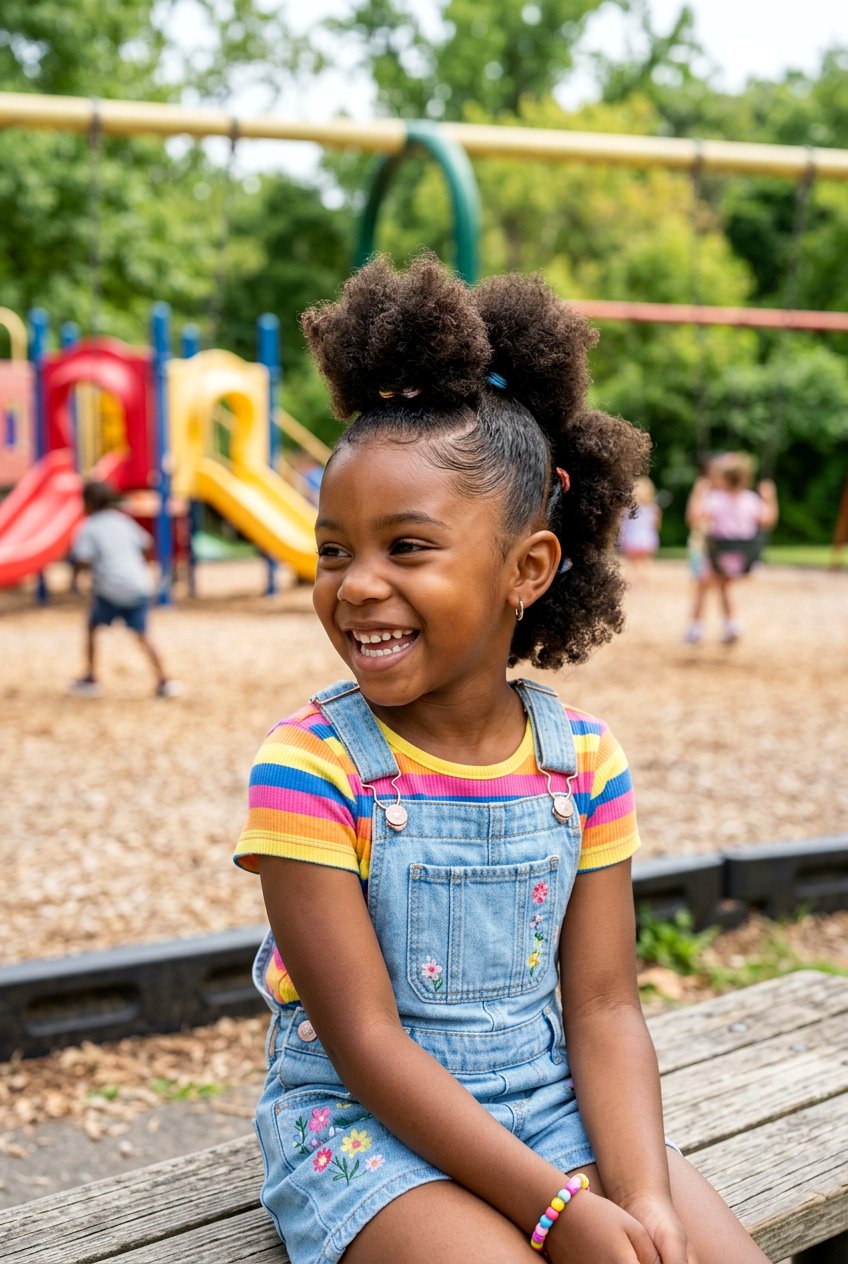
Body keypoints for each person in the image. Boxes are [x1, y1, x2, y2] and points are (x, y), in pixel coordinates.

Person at [234, 256, 769, 1264]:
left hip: (550, 1106)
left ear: (526, 567)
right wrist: (555, 1211)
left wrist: (642, 1194)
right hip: (362, 1134)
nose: (355, 586)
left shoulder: (583, 762)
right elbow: (365, 1043)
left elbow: (605, 1005)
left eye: (406, 546)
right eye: (334, 550)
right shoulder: (309, 768)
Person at [69, 479, 180, 698]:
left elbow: (82, 557)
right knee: (143, 635)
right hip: (139, 586)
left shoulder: (89, 527)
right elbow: (146, 543)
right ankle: (165, 679)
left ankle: (91, 677)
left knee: (92, 626)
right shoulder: (123, 521)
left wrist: (75, 578)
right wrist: (144, 565)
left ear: (88, 503)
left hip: (111, 589)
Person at [683, 451, 778, 646]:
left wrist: (698, 494)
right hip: (743, 559)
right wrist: (770, 497)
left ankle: (695, 629)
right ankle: (732, 624)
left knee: (703, 586)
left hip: (717, 557)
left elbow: (693, 519)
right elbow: (768, 521)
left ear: (722, 478)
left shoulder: (715, 499)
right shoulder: (751, 500)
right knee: (725, 586)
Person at [618, 475, 661, 582]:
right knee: (645, 562)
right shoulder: (653, 508)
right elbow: (656, 525)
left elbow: (622, 521)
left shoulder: (628, 509)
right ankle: (643, 582)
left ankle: (631, 582)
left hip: (632, 538)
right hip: (646, 538)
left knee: (631, 562)